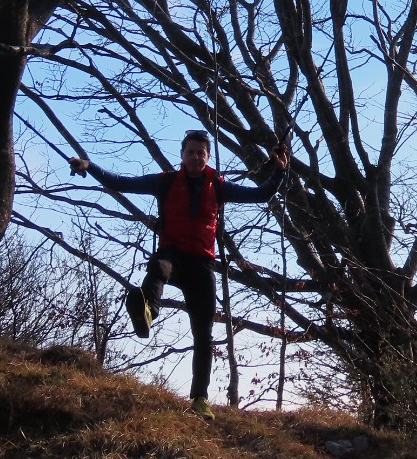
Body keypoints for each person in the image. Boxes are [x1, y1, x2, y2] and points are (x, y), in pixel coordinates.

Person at [67, 129, 289, 420]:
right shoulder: (166, 181)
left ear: (207, 157)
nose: (196, 156)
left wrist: (279, 171)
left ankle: (199, 398)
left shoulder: (218, 186)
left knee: (204, 335)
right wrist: (89, 166)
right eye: (191, 152)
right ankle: (147, 311)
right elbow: (121, 182)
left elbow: (260, 195)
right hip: (172, 254)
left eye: (201, 152)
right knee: (158, 267)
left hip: (202, 265)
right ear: (182, 157)